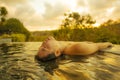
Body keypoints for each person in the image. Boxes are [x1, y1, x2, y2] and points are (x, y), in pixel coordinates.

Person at [37, 36, 113, 61]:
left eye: (40, 46)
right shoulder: (78, 48)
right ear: (57, 52)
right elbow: (98, 46)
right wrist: (109, 43)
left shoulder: (63, 45)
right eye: (44, 48)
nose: (43, 43)